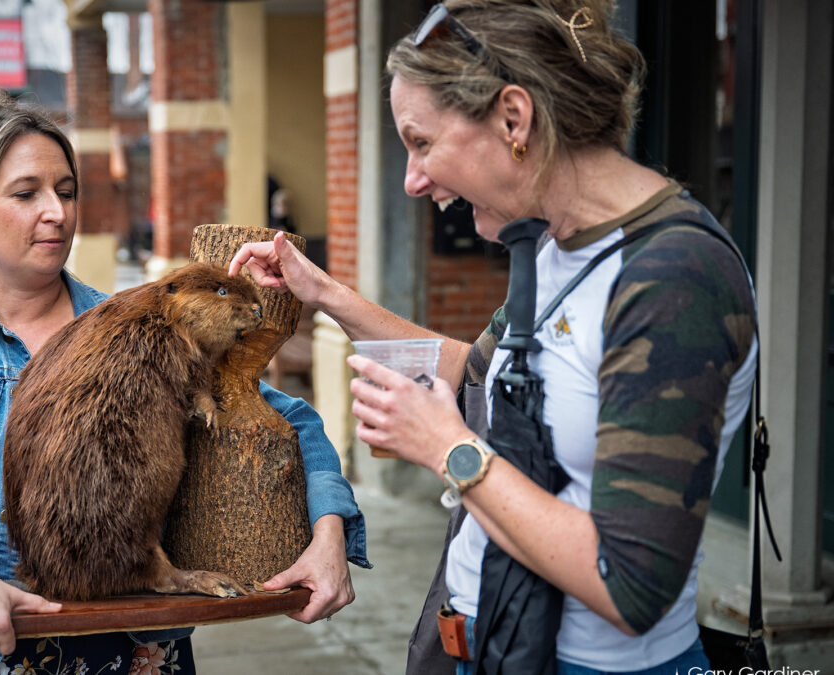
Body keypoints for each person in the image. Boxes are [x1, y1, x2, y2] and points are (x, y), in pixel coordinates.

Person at [229, 1, 757, 672]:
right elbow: (476, 375)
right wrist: (324, 294)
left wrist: (450, 448)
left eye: (421, 142)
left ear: (514, 118)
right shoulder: (553, 248)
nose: (413, 181)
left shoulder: (675, 276)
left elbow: (633, 584)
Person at [0, 83, 368, 675]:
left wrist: (329, 537)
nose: (58, 212)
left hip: (137, 652)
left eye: (66, 192)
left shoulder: (143, 322)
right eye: (26, 193)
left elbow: (292, 421)